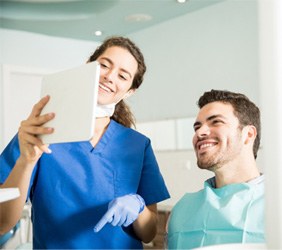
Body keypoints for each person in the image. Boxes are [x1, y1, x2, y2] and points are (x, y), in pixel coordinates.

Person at [0, 36, 170, 249]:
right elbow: (2, 224)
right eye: (104, 65)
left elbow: (149, 233)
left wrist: (138, 208)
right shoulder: (40, 132)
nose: (109, 76)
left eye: (122, 76)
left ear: (129, 91)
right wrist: (26, 161)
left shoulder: (138, 145)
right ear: (88, 67)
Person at [167, 89, 265, 249]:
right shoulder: (183, 210)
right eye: (197, 127)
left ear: (248, 135)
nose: (200, 132)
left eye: (216, 122)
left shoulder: (274, 203)